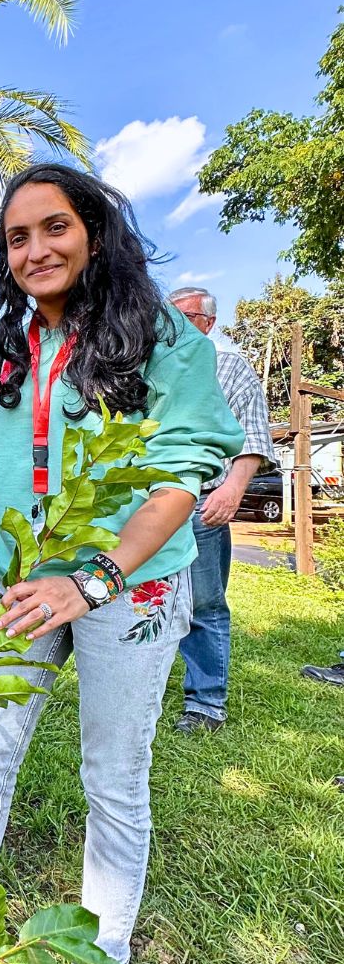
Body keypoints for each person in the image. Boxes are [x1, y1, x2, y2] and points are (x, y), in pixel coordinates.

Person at [0, 164, 243, 964]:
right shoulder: (1, 358)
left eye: (53, 228)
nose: (35, 251)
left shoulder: (163, 339)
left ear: (93, 230)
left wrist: (94, 579)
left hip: (129, 590)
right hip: (28, 583)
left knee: (113, 779)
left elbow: (182, 475)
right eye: (17, 238)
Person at [167, 287, 275, 733]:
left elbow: (252, 436)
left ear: (208, 323)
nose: (169, 325)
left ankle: (206, 704)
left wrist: (232, 489)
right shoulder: (153, 369)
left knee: (204, 604)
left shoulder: (230, 368)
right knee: (144, 603)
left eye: (183, 316)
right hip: (149, 505)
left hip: (200, 503)